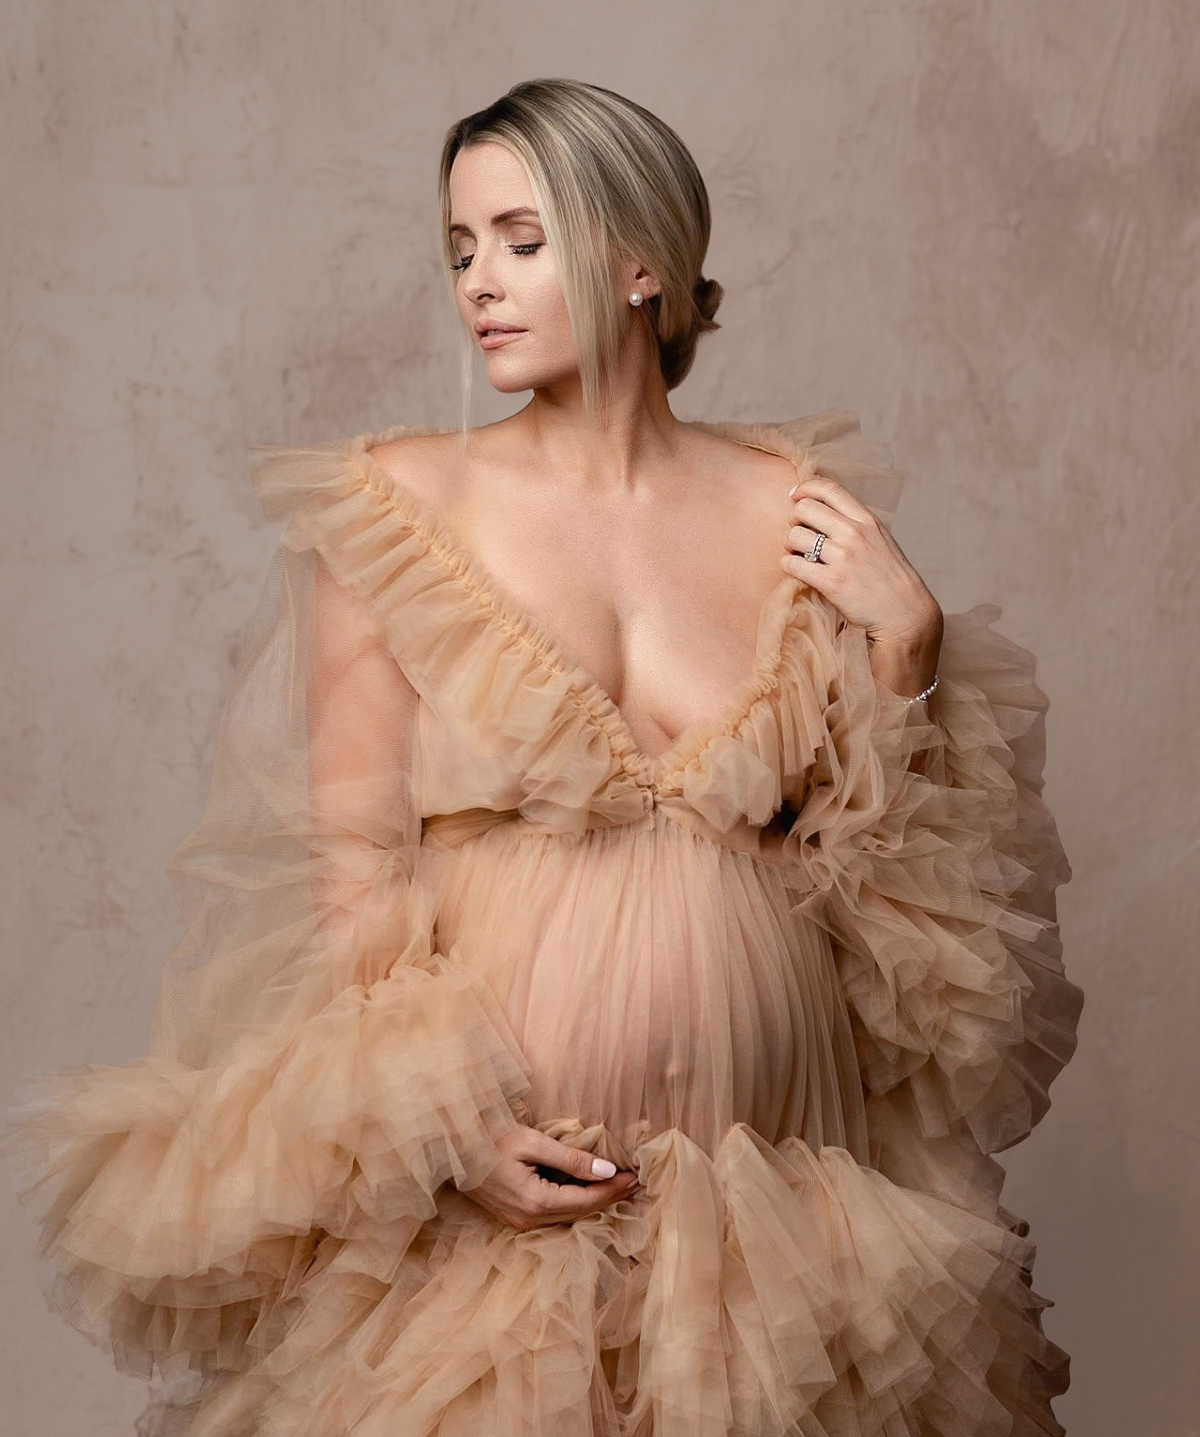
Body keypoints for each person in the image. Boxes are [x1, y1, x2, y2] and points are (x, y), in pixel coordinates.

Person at [2, 78, 1084, 1436]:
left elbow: (913, 910)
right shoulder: (396, 508)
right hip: (505, 1186)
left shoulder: (791, 508)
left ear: (639, 262)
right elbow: (350, 870)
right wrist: (437, 1127)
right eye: (459, 248)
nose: (479, 285)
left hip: (778, 1191)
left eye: (519, 239)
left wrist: (906, 644)